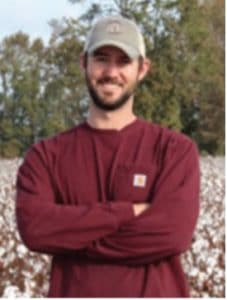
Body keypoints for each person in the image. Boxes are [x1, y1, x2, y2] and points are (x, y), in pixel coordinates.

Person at [16, 15, 200, 297]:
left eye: (123, 61)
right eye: (101, 58)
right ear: (83, 62)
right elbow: (36, 230)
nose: (111, 72)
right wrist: (128, 211)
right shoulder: (45, 156)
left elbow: (173, 234)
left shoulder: (175, 150)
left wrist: (69, 234)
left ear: (142, 68)